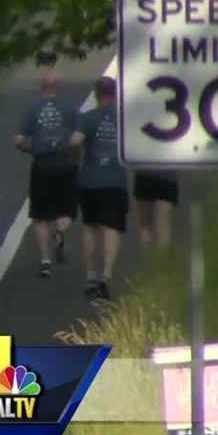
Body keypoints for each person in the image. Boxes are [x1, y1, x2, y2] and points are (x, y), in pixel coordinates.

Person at [14, 70, 78, 278]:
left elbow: (18, 140)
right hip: (65, 164)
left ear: (42, 88)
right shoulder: (69, 109)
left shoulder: (32, 109)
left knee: (40, 215)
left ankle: (45, 260)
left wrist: (32, 149)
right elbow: (78, 138)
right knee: (66, 210)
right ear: (58, 88)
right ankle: (60, 230)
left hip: (42, 165)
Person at [69, 77, 127, 302]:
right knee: (111, 228)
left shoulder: (87, 118)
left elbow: (75, 141)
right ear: (115, 94)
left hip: (90, 180)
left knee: (90, 227)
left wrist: (75, 159)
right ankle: (107, 274)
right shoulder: (123, 119)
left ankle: (91, 276)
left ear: (96, 94)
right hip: (115, 181)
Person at [133, 169, 178, 246]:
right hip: (161, 173)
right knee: (160, 221)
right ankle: (160, 254)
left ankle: (160, 254)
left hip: (150, 172)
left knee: (152, 224)